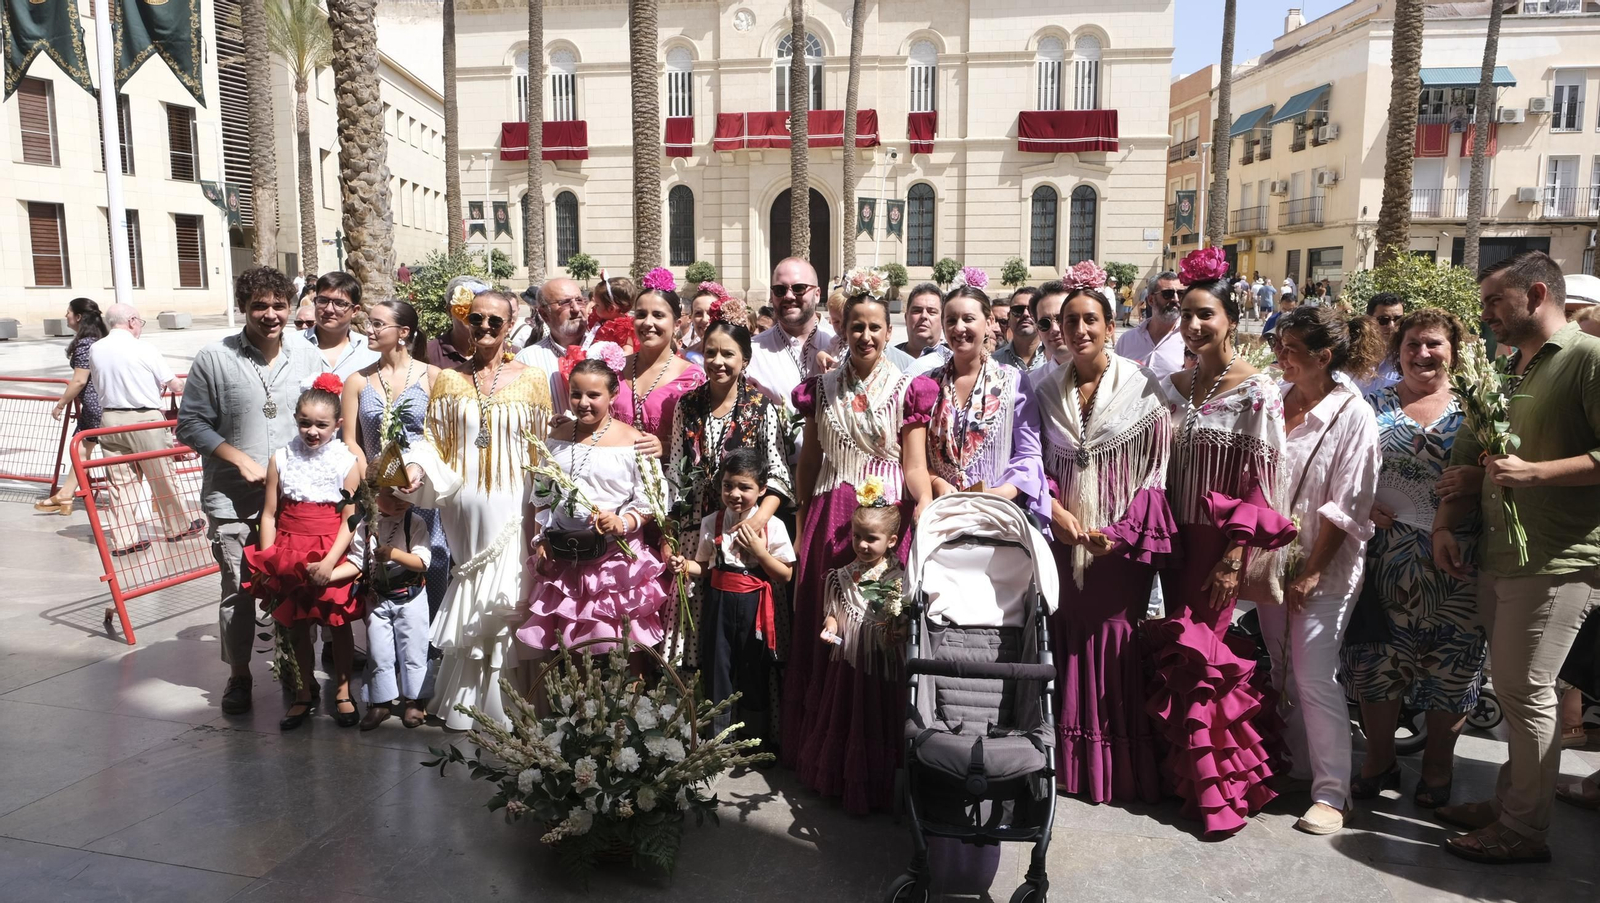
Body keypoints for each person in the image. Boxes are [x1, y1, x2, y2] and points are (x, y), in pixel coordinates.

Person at [1431, 252, 1600, 864]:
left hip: (1559, 558)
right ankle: (1513, 803)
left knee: (1527, 690)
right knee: (1514, 686)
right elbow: (1471, 457)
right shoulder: (1506, 368)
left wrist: (1537, 474)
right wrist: (1448, 522)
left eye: (1493, 302)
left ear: (1535, 294)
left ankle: (1524, 828)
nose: (1486, 316)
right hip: (1501, 553)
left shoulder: (1588, 359)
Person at [995, 264, 1172, 804]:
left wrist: (1118, 531)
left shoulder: (1146, 387)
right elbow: (1030, 462)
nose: (1080, 331)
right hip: (1062, 533)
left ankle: (1115, 766)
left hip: (1119, 543)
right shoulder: (1042, 388)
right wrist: (1056, 514)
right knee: (1066, 632)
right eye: (1070, 322)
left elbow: (1157, 469)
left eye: (1090, 320)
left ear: (1110, 326)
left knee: (1115, 637)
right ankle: (1068, 764)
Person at [1145, 248, 1293, 838]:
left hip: (1216, 546)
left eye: (1207, 314)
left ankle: (1220, 790)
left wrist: (1236, 556)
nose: (1195, 325)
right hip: (1171, 538)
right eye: (1186, 315)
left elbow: (1261, 485)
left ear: (1232, 320)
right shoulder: (1175, 386)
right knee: (1176, 651)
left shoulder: (1257, 391)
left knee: (1204, 656)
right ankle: (1180, 774)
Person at [783, 291, 936, 814]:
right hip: (829, 517)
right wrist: (802, 515)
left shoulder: (909, 388)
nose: (866, 336)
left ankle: (874, 760)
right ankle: (822, 753)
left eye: (875, 327)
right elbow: (810, 458)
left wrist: (928, 509)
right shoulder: (820, 389)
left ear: (888, 331)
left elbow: (914, 463)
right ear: (842, 330)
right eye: (856, 327)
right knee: (827, 632)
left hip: (884, 520)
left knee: (874, 640)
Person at [1342, 309, 1486, 809]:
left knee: (1454, 665)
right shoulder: (1368, 403)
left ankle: (1438, 766)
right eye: (1412, 345)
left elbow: (1503, 473)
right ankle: (1378, 759)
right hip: (1383, 556)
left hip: (1456, 558)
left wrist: (1477, 480)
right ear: (1396, 350)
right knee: (1377, 662)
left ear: (1454, 350)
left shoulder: (1479, 407)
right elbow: (1343, 466)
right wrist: (1362, 503)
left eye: (1434, 345)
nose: (1422, 354)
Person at [400, 288, 554, 730]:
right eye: (477, 319)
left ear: (511, 325)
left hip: (514, 502)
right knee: (470, 588)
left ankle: (509, 705)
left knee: (508, 592)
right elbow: (432, 441)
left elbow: (542, 450)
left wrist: (543, 513)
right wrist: (413, 467)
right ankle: (466, 700)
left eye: (494, 321)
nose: (484, 328)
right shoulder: (448, 380)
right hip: (463, 507)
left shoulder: (532, 379)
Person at [1256, 304, 1383, 836]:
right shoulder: (1274, 400)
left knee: (1312, 676)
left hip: (1323, 569)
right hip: (1272, 565)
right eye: (1278, 346)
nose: (1278, 355)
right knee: (1282, 669)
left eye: (1290, 349)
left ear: (1323, 356)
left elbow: (1348, 504)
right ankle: (1299, 769)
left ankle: (1334, 792)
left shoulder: (1353, 414)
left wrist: (1311, 570)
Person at [178, 267, 323, 716]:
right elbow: (190, 424)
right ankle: (239, 674)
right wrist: (240, 460)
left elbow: (323, 418)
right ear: (244, 307)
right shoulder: (214, 357)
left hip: (296, 501)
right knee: (238, 590)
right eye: (260, 305)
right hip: (234, 500)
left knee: (296, 588)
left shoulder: (307, 354)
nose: (270, 314)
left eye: (279, 305)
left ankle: (294, 671)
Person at [517, 358, 671, 668]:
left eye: (593, 395)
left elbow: (652, 499)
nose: (583, 403)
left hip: (615, 563)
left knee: (620, 650)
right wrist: (541, 540)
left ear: (614, 394)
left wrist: (623, 521)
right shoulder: (558, 437)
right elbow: (543, 496)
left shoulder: (635, 442)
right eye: (576, 394)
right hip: (566, 557)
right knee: (571, 651)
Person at [243, 376, 364, 730]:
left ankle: (342, 691)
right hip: (288, 548)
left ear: (337, 425)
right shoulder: (281, 457)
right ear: (295, 419)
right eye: (305, 423)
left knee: (337, 624)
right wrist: (268, 560)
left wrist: (329, 563)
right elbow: (268, 513)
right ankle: (302, 691)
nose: (312, 431)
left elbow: (350, 519)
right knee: (295, 625)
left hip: (329, 549)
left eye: (322, 425)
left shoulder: (346, 461)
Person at [673, 449, 797, 743]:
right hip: (719, 604)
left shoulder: (773, 525)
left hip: (754, 605)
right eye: (728, 485)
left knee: (754, 670)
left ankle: (756, 741)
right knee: (718, 669)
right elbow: (703, 566)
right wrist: (684, 565)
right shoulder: (712, 522)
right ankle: (719, 742)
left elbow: (785, 574)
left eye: (745, 487)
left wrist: (759, 552)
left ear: (762, 489)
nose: (735, 494)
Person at [340, 299, 450, 622]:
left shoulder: (433, 377)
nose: (368, 330)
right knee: (380, 567)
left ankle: (428, 657)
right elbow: (351, 441)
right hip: (377, 495)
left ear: (403, 332)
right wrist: (373, 490)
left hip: (421, 492)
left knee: (431, 565)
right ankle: (386, 658)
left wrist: (416, 473)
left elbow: (440, 438)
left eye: (377, 324)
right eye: (369, 323)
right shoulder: (357, 381)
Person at [83, 303, 199, 554]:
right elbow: (175, 384)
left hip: (110, 421)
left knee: (120, 484)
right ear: (132, 321)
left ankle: (124, 540)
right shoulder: (143, 348)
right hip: (145, 420)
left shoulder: (96, 348)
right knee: (162, 476)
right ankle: (177, 527)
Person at [334, 486, 432, 730]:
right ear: (373, 496)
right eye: (392, 495)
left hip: (410, 597)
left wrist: (394, 554)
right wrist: (329, 574)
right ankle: (381, 701)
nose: (400, 501)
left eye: (405, 494)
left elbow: (422, 562)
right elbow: (357, 561)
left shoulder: (414, 522)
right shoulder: (365, 524)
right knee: (378, 651)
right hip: (377, 598)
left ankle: (414, 700)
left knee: (413, 649)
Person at [926, 286, 1023, 494]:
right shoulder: (927, 384)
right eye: (951, 321)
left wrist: (1000, 494)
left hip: (997, 511)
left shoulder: (1014, 382)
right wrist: (936, 482)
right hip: (943, 511)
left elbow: (1028, 454)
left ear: (989, 323)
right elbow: (915, 458)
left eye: (968, 319)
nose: (959, 328)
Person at [818, 493, 908, 676]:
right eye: (857, 536)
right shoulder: (842, 576)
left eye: (871, 539)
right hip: (851, 660)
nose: (862, 545)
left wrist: (903, 632)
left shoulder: (900, 578)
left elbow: (907, 618)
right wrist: (831, 627)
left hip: (883, 661)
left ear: (891, 541)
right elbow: (833, 613)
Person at [616, 274, 706, 454]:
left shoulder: (692, 378)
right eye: (641, 315)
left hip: (668, 478)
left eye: (658, 315)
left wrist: (667, 447)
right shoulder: (615, 369)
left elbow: (702, 439)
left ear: (676, 324)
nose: (648, 323)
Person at [38, 298, 108, 515]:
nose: (66, 315)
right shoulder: (101, 339)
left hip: (95, 406)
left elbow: (79, 380)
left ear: (78, 317)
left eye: (68, 312)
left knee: (83, 450)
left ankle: (65, 495)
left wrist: (61, 403)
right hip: (102, 404)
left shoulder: (86, 343)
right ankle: (65, 495)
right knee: (82, 450)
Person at [746, 259, 836, 408]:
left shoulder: (839, 344)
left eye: (799, 288)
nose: (788, 296)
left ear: (817, 294)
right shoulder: (752, 352)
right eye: (780, 290)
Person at [514, 276, 592, 413]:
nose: (575, 309)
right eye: (565, 303)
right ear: (545, 314)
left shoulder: (609, 351)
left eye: (579, 301)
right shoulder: (526, 361)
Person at [305, 271, 381, 378]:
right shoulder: (290, 346)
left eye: (339, 304)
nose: (329, 309)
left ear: (355, 311)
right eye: (323, 301)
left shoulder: (371, 352)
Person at [1115, 271, 1185, 379]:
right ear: (1151, 300)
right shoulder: (1127, 340)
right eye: (1168, 294)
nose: (1176, 299)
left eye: (1180, 294)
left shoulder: (1189, 340)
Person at [1023, 281, 1074, 389]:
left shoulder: (1115, 373)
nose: (1055, 329)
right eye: (1044, 323)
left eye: (1061, 319)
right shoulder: (1031, 384)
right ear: (1038, 331)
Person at [896, 283, 949, 376]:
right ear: (906, 317)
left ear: (943, 320)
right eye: (917, 311)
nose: (924, 316)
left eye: (932, 311)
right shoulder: (889, 358)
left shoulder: (952, 361)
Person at [1358, 292, 1405, 395]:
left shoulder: (1408, 359)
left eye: (1398, 319)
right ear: (1368, 320)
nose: (1392, 326)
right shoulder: (1354, 354)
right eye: (1383, 320)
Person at [994, 287, 1049, 373]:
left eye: (1031, 310)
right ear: (1009, 316)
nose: (1025, 314)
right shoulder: (994, 362)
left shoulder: (1056, 357)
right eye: (1018, 310)